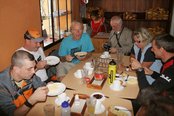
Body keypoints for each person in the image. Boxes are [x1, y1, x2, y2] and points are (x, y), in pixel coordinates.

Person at [131, 34, 174, 114]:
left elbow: (147, 93)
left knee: (132, 103)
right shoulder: (170, 61)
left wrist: (140, 69)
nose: (151, 50)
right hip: (162, 96)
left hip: (165, 107)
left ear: (161, 49)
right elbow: (166, 80)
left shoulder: (171, 70)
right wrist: (152, 73)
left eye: (153, 48)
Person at [0, 50, 48, 116]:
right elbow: (12, 114)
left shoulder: (29, 75)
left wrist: (47, 86)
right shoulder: (2, 84)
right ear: (16, 69)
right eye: (29, 69)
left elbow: (41, 86)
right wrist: (31, 101)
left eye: (34, 67)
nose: (34, 72)